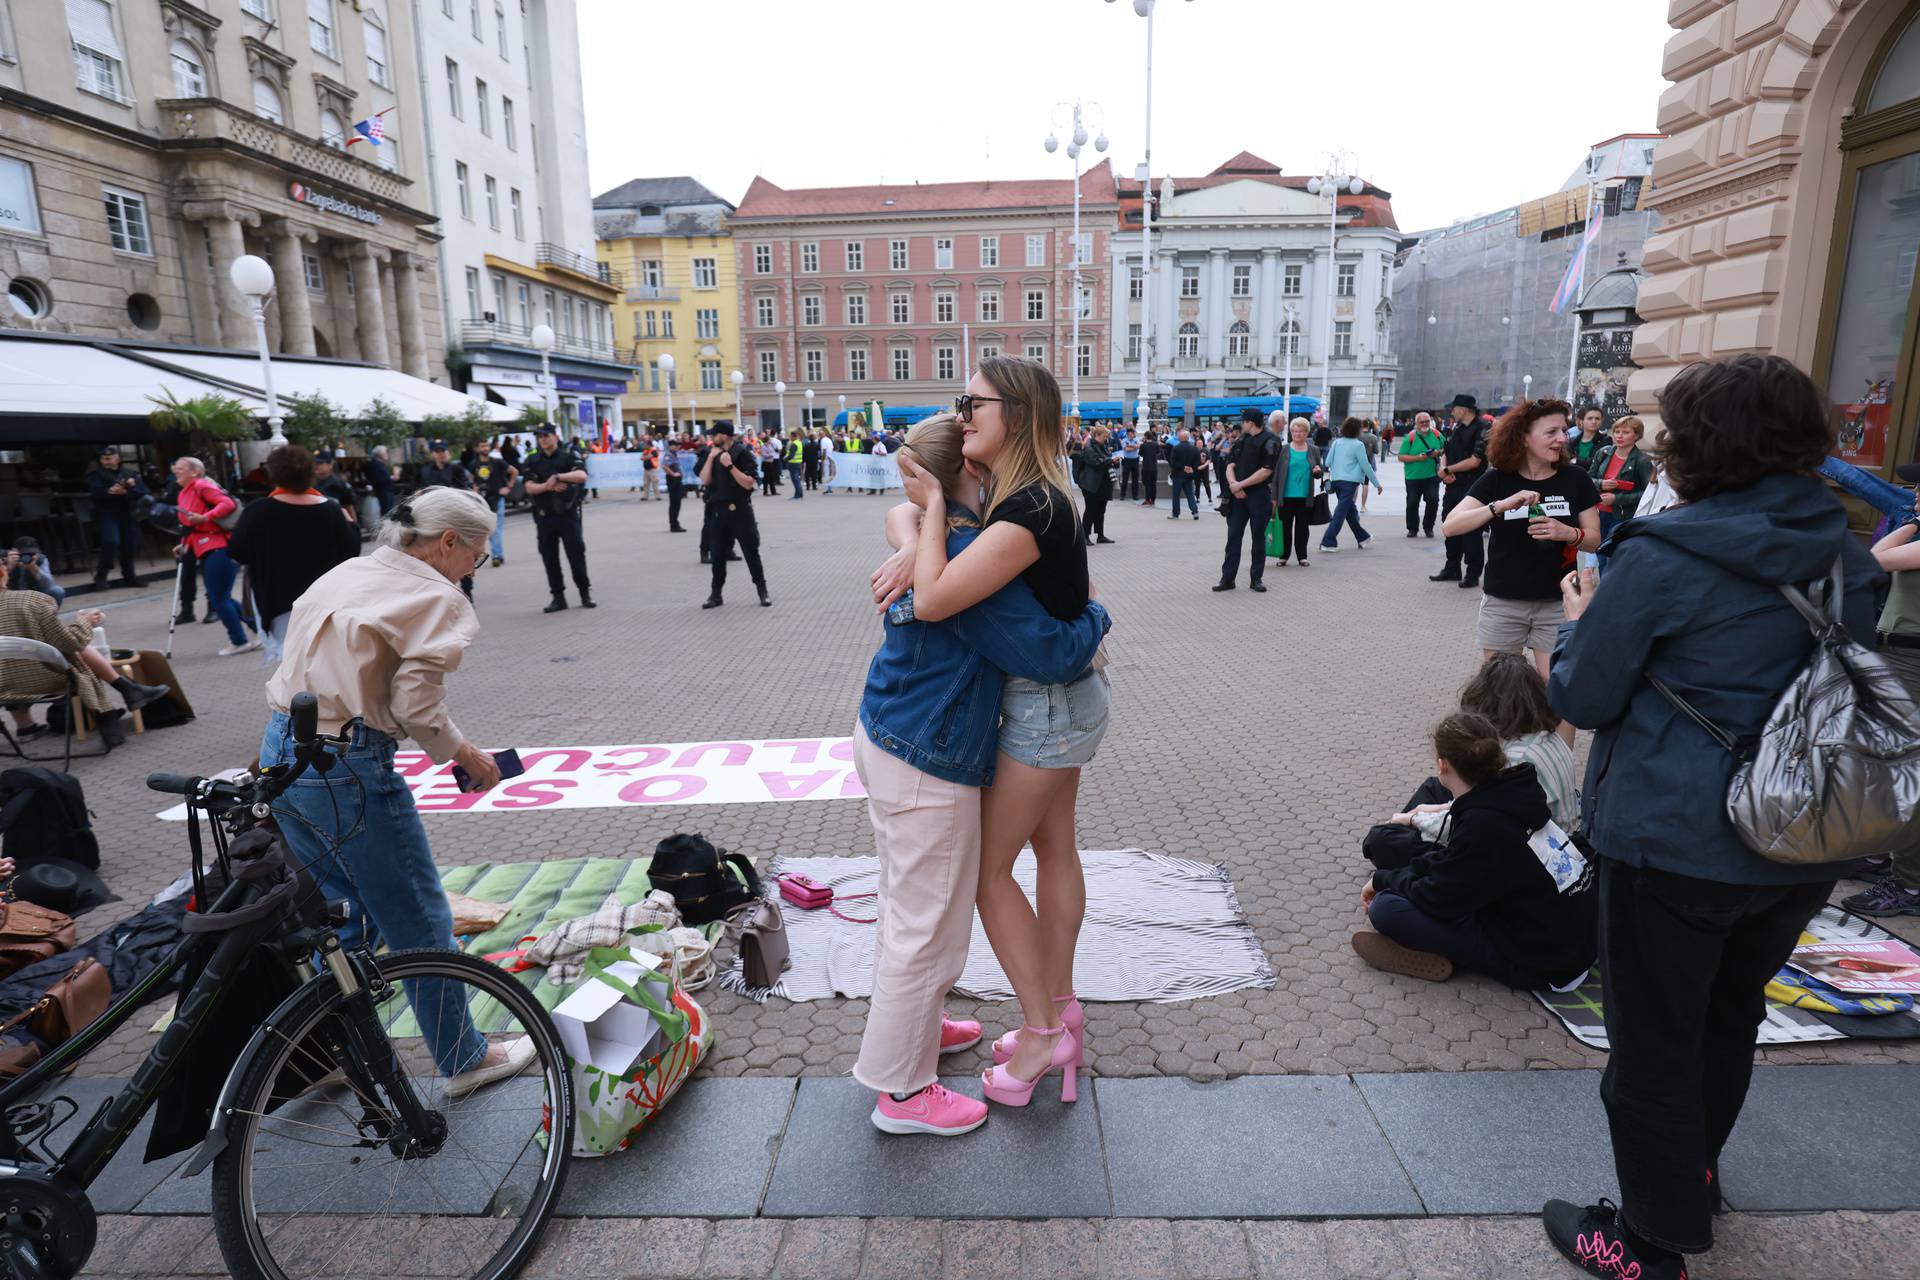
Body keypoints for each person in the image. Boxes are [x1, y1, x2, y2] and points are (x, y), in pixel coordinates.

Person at [1539, 353, 1884, 1280]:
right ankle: (1689, 1179)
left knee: (1652, 1044)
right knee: (1729, 1018)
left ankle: (1650, 1243)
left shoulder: (1663, 555)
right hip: (1809, 831)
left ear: (1698, 445)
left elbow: (1584, 690)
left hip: (1675, 838)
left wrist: (1582, 613)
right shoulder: (1848, 552)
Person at [856, 413, 1110, 1137]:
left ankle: (925, 1034)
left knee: (916, 910)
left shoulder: (946, 542)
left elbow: (897, 511)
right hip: (922, 753)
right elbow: (1059, 653)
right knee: (925, 922)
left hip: (896, 734)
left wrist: (917, 525)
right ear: (966, 473)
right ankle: (904, 1091)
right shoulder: (964, 553)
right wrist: (1099, 615)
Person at [262, 486, 533, 1094]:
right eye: (479, 555)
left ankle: (336, 1051)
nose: (475, 568)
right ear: (448, 543)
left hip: (280, 748)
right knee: (419, 916)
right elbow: (417, 703)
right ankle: (463, 1057)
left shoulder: (350, 570)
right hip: (349, 765)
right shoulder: (436, 595)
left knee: (339, 920)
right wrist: (464, 755)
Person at [1354, 713, 1597, 990]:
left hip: (1547, 965)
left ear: (1442, 765)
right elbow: (1452, 861)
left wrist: (1384, 880)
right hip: (1574, 940)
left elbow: (1438, 897)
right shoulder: (1515, 793)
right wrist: (1400, 874)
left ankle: (1434, 951)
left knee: (1386, 909)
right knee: (1416, 881)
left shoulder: (1484, 824)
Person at [1440, 398, 1602, 681]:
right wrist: (1499, 506)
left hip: (1558, 603)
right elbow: (1450, 526)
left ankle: (1551, 730)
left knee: (1558, 689)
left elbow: (1595, 540)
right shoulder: (1498, 480)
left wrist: (1568, 533)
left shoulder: (1576, 479)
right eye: (1551, 432)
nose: (1562, 439)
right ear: (1524, 437)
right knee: (1502, 691)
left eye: (1563, 431)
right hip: (1504, 602)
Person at [1851, 463, 1920, 917]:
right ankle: (1879, 855)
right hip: (1898, 653)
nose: (1914, 494)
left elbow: (1876, 556)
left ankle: (1910, 885)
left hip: (1912, 659)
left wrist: (1913, 523)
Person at [227, 445, 360, 661]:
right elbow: (351, 551)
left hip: (279, 602)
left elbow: (238, 552)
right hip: (326, 599)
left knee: (292, 661)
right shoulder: (331, 509)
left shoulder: (257, 511)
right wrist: (351, 525)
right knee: (327, 659)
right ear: (310, 473)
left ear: (274, 475)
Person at [0, 584, 169, 748]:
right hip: (49, 680)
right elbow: (69, 642)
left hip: (4, 687)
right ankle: (111, 711)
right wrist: (84, 623)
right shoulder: (31, 600)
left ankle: (26, 727)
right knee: (78, 658)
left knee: (12, 662)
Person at [1460, 653, 1579, 830]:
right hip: (1563, 834)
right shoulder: (1548, 737)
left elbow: (1486, 819)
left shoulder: (1517, 760)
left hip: (1541, 848)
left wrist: (1414, 819)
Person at [172, 456, 257, 656]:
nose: (175, 470)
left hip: (220, 547)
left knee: (219, 598)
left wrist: (206, 517)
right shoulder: (184, 492)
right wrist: (184, 545)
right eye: (176, 467)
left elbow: (226, 504)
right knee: (222, 597)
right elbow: (194, 529)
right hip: (207, 548)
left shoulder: (201, 485)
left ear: (195, 471)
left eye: (181, 468)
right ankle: (258, 629)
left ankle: (239, 641)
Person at [522, 423, 594, 613]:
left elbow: (581, 475)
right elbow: (529, 487)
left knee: (576, 555)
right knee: (549, 558)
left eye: (546, 435)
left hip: (567, 516)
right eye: (540, 436)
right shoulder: (532, 460)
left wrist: (559, 476)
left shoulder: (568, 455)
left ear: (555, 436)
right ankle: (558, 597)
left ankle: (584, 593)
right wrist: (548, 486)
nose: (543, 439)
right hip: (544, 517)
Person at [700, 422, 771, 610]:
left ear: (723, 435)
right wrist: (710, 459)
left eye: (714, 434)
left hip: (740, 510)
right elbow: (705, 480)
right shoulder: (711, 453)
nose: (711, 438)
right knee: (717, 555)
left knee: (750, 551)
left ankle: (762, 590)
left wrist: (730, 466)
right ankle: (716, 594)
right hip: (718, 511)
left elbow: (749, 483)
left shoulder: (742, 453)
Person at [1214, 408, 1280, 593]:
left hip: (1259, 494)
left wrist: (1241, 484)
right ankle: (1227, 579)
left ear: (1250, 422)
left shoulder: (1271, 440)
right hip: (1237, 496)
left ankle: (1256, 579)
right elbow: (1230, 464)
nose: (1241, 425)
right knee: (1233, 537)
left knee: (1258, 538)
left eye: (1243, 421)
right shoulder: (1242, 439)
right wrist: (1235, 485)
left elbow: (1267, 470)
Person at [1432, 394, 1490, 587]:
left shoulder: (1482, 429)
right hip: (1453, 486)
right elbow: (1445, 452)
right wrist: (1443, 470)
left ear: (1464, 409)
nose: (1451, 412)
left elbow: (1476, 461)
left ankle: (1472, 574)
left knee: (1471, 530)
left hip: (1473, 487)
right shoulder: (1457, 428)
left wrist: (1449, 470)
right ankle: (1452, 568)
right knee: (1450, 525)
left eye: (1454, 408)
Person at [414, 440, 477, 601]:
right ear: (433, 453)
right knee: (435, 556)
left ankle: (467, 590)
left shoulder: (456, 469)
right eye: (437, 451)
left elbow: (466, 490)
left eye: (443, 450)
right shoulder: (426, 470)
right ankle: (443, 592)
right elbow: (419, 490)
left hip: (454, 517)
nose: (440, 454)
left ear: (447, 452)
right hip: (433, 519)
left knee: (461, 553)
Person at [84, 446, 147, 589]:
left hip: (128, 512)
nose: (106, 462)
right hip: (107, 512)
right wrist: (110, 491)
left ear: (118, 459)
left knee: (129, 545)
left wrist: (129, 489)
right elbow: (94, 492)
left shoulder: (130, 473)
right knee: (111, 542)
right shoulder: (96, 474)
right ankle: (101, 576)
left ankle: (129, 577)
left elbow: (143, 492)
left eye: (109, 458)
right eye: (103, 459)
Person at [1319, 418, 1383, 553]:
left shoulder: (1336, 443)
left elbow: (1328, 462)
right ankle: (1328, 541)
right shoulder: (1358, 445)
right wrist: (1377, 484)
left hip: (1336, 481)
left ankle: (1363, 537)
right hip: (1350, 483)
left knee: (1349, 511)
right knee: (1341, 512)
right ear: (1357, 430)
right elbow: (1366, 465)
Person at [1589, 416, 1654, 543]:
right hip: (1597, 512)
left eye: (1625, 432)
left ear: (1636, 435)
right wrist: (1601, 484)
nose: (1619, 436)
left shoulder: (1642, 460)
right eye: (1617, 432)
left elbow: (1648, 494)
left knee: (1612, 554)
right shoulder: (1603, 452)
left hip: (1623, 516)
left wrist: (1616, 499)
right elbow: (1587, 479)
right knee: (1599, 553)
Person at [1270, 417, 1322, 569]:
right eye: (1294, 431)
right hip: (1285, 496)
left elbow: (1319, 471)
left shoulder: (1314, 449)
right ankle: (1284, 556)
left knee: (1302, 528)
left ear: (1306, 432)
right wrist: (1274, 496)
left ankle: (1302, 556)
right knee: (1285, 528)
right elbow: (1276, 475)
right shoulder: (1284, 449)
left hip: (1305, 496)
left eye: (1300, 431)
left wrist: (1318, 471)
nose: (1297, 434)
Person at [1398, 411, 1446, 538]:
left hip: (1432, 475)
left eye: (1427, 421)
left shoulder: (1436, 434)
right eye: (1422, 422)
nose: (1425, 424)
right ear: (1416, 423)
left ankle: (1428, 527)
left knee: (1433, 500)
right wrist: (1417, 458)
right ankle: (1412, 529)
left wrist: (1437, 453)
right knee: (1412, 502)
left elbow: (1446, 448)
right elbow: (1401, 456)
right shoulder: (1410, 437)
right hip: (1413, 477)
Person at [473, 447, 519, 566]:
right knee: (485, 530)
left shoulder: (497, 462)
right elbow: (475, 482)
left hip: (497, 499)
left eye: (486, 445)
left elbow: (514, 471)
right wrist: (474, 496)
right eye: (482, 446)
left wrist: (509, 487)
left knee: (495, 528)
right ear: (477, 448)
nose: (485, 448)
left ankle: (497, 555)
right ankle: (491, 555)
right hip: (482, 501)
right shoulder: (474, 464)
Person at [1075, 424, 1116, 546]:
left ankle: (1100, 535)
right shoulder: (1089, 447)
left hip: (1102, 483)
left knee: (1101, 510)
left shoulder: (1103, 446)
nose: (1106, 439)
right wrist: (1111, 460)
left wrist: (1114, 461)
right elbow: (1096, 462)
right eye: (1104, 436)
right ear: (1097, 435)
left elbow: (1106, 461)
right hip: (1090, 484)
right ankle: (1085, 536)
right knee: (1091, 509)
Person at [7, 538, 62, 606]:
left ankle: (50, 615)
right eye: (23, 553)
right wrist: (9, 567)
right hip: (13, 595)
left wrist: (34, 568)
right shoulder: (6, 559)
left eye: (31, 553)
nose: (26, 556)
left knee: (57, 591)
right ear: (14, 551)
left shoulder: (40, 559)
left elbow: (49, 584)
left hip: (36, 592)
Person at [310, 451, 358, 524]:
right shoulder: (309, 482)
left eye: (320, 463)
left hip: (333, 524)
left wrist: (354, 527)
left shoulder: (339, 484)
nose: (316, 466)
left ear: (330, 465)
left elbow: (349, 508)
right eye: (315, 463)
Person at [1167, 428, 1201, 520]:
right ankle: (1195, 512)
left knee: (1176, 495)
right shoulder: (1194, 448)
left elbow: (1172, 462)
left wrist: (1182, 467)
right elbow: (1198, 461)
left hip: (1178, 475)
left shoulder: (1176, 448)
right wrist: (1192, 468)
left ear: (1180, 438)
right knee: (1190, 494)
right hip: (1189, 475)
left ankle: (1175, 514)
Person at [661, 434, 688, 532]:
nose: (678, 447)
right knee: (674, 503)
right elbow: (665, 466)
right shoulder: (669, 455)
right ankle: (674, 525)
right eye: (676, 445)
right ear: (670, 446)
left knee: (677, 503)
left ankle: (675, 523)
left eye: (678, 445)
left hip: (676, 481)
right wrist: (673, 474)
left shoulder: (674, 454)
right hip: (673, 481)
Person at [1569, 406, 1607, 470]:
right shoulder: (1572, 441)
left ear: (1601, 421)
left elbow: (1597, 463)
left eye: (1597, 418)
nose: (1594, 422)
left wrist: (1576, 461)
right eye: (1590, 418)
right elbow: (1566, 461)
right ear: (1582, 421)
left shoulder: (1605, 440)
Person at [364, 444, 398, 516]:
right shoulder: (375, 464)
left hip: (386, 490)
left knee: (389, 511)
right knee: (387, 512)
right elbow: (379, 479)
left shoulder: (379, 464)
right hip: (383, 491)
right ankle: (386, 526)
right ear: (381, 454)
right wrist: (391, 478)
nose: (387, 454)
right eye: (386, 452)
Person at [1358, 421, 1383, 510]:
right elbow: (1376, 451)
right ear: (1368, 427)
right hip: (1368, 461)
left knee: (1356, 484)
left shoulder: (1356, 436)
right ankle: (1363, 506)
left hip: (1357, 463)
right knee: (1365, 484)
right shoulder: (1373, 437)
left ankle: (1352, 504)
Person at [1138, 429, 1161, 508]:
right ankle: (1153, 500)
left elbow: (1140, 454)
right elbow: (1158, 452)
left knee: (1147, 484)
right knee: (1153, 484)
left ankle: (1148, 499)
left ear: (1145, 437)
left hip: (1146, 467)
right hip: (1154, 466)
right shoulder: (1156, 444)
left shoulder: (1143, 445)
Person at [1118, 429, 1141, 501]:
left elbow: (1139, 446)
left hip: (1135, 460)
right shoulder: (1124, 440)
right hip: (1127, 461)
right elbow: (1126, 449)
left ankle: (1135, 495)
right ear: (1128, 434)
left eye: (1133, 433)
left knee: (1135, 479)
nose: (1132, 435)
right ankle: (1122, 495)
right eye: (1131, 433)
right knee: (1125, 479)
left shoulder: (1137, 439)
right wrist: (1134, 447)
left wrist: (1131, 445)